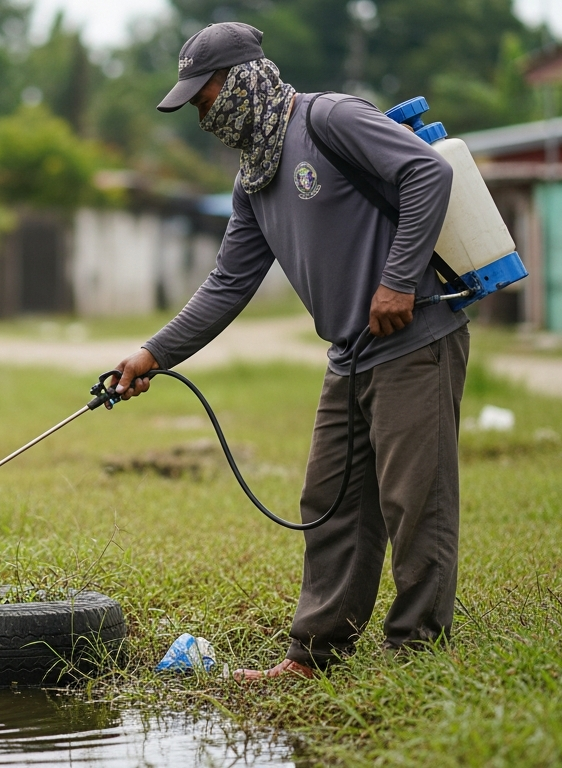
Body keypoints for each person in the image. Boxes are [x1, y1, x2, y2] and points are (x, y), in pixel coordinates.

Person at [110, 22, 468, 679]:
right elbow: (228, 283)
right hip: (349, 355)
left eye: (204, 97)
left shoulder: (330, 119)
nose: (203, 115)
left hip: (415, 339)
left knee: (415, 503)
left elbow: (427, 174)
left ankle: (417, 655)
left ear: (240, 79)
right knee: (329, 502)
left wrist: (397, 280)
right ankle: (314, 655)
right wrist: (153, 354)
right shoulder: (255, 177)